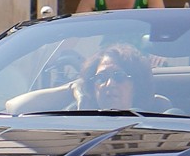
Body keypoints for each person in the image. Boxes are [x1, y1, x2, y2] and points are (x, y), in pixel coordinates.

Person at [9, 43, 152, 113]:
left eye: (119, 76)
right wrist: (72, 88)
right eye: (101, 78)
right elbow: (15, 106)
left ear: (136, 84)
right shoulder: (80, 118)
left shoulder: (153, 122)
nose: (109, 84)